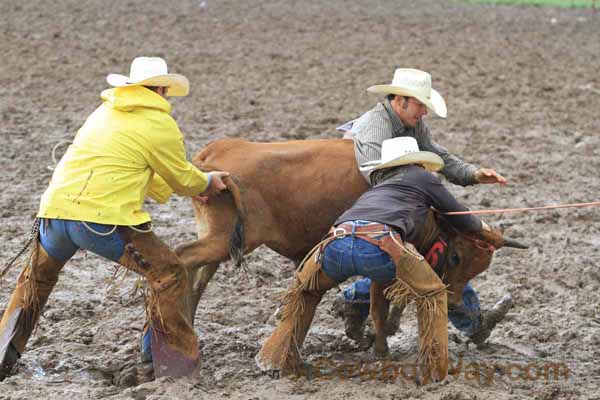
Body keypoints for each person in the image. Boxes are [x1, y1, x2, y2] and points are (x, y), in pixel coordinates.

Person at [0, 57, 229, 381]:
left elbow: (144, 170)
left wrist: (190, 187)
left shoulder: (105, 112)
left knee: (35, 282)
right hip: (100, 221)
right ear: (163, 88)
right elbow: (179, 176)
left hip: (54, 214)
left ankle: (2, 356)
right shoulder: (159, 123)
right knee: (170, 273)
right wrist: (205, 182)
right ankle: (169, 366)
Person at [256, 137, 495, 381]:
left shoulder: (379, 186)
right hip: (380, 244)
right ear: (417, 162)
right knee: (433, 294)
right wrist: (488, 233)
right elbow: (461, 217)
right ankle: (435, 370)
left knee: (305, 291)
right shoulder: (422, 177)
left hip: (334, 243)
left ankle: (277, 359)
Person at [336, 68, 511, 347]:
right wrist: (423, 187)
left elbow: (436, 153)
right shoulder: (374, 126)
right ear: (401, 100)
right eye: (420, 104)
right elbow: (375, 173)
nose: (424, 112)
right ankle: (472, 322)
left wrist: (472, 174)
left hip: (392, 204)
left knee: (439, 251)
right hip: (379, 207)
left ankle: (471, 321)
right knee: (438, 252)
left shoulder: (412, 124)